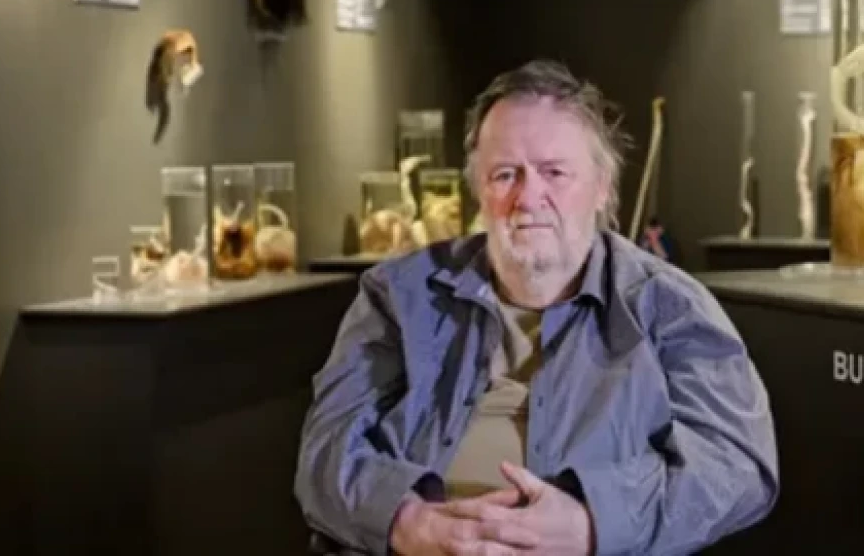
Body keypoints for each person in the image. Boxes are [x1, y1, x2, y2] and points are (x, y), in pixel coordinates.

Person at [295, 60, 779, 555]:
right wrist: (409, 524)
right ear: (478, 189)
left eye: (555, 172)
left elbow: (738, 465)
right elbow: (326, 450)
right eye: (505, 174)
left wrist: (591, 525)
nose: (528, 198)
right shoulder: (398, 297)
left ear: (602, 187)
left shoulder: (669, 307)